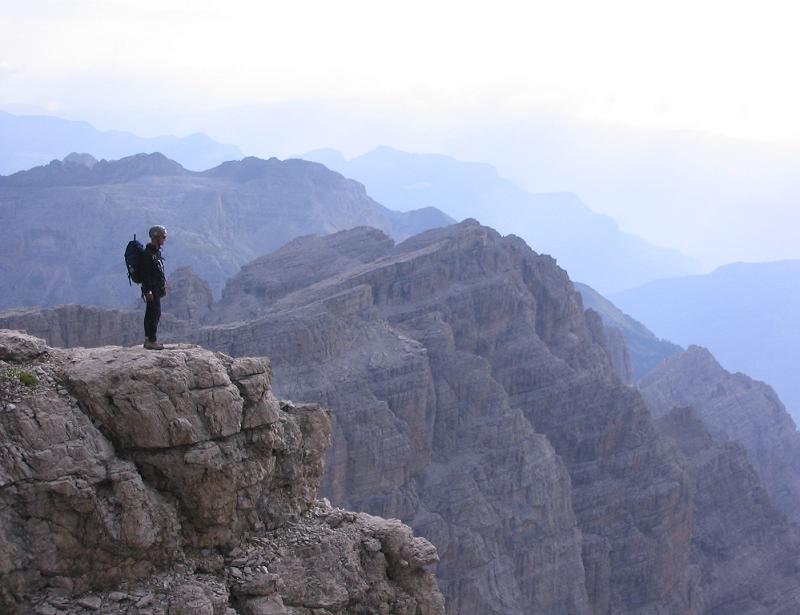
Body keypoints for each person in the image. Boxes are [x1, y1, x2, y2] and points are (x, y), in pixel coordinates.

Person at [142, 225, 168, 350]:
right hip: (152, 289)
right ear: (156, 237)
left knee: (152, 313)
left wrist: (162, 286)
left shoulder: (155, 252)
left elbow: (158, 272)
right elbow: (146, 275)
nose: (165, 239)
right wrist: (148, 291)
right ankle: (151, 340)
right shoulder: (148, 254)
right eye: (163, 237)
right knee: (154, 313)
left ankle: (149, 339)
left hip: (156, 288)